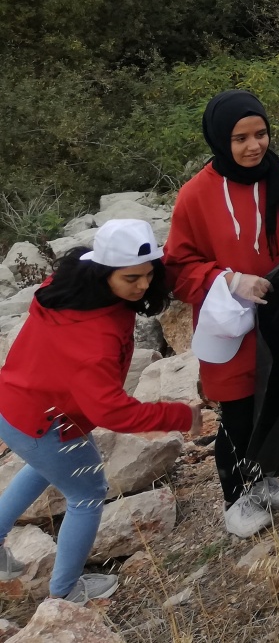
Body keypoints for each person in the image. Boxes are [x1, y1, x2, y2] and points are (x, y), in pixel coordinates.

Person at [0, 220, 198, 604]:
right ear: (104, 272)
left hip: (16, 403)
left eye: (148, 275)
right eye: (131, 278)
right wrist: (178, 416)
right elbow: (111, 411)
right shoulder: (95, 335)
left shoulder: (63, 290)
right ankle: (66, 593)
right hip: (50, 422)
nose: (142, 285)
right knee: (88, 493)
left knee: (43, 469)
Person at [165, 90, 279, 538]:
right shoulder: (195, 196)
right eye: (241, 138)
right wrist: (231, 279)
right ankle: (236, 498)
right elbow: (178, 267)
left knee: (275, 396)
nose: (254, 146)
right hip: (231, 322)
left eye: (261, 134)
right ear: (221, 140)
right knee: (238, 411)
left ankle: (266, 478)